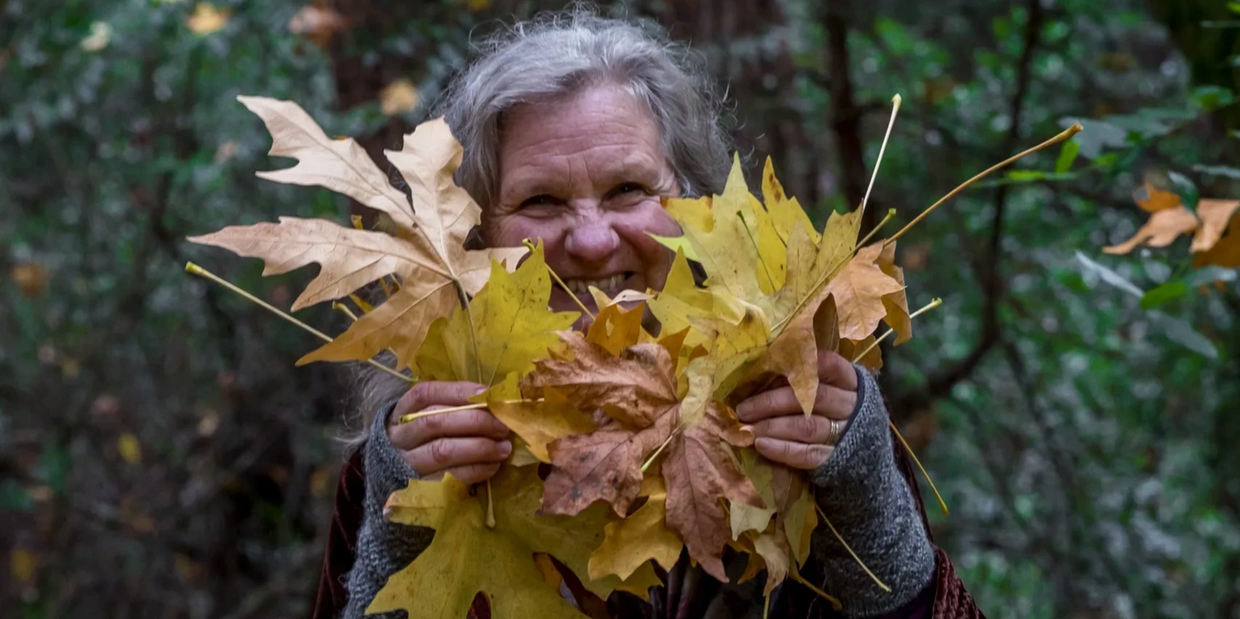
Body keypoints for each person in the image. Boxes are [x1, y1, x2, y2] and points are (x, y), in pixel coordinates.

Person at [311, 10, 984, 619]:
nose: (594, 240)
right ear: (472, 237)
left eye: (629, 189)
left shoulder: (804, 413)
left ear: (697, 207)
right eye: (541, 201)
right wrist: (399, 524)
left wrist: (863, 492)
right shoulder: (423, 453)